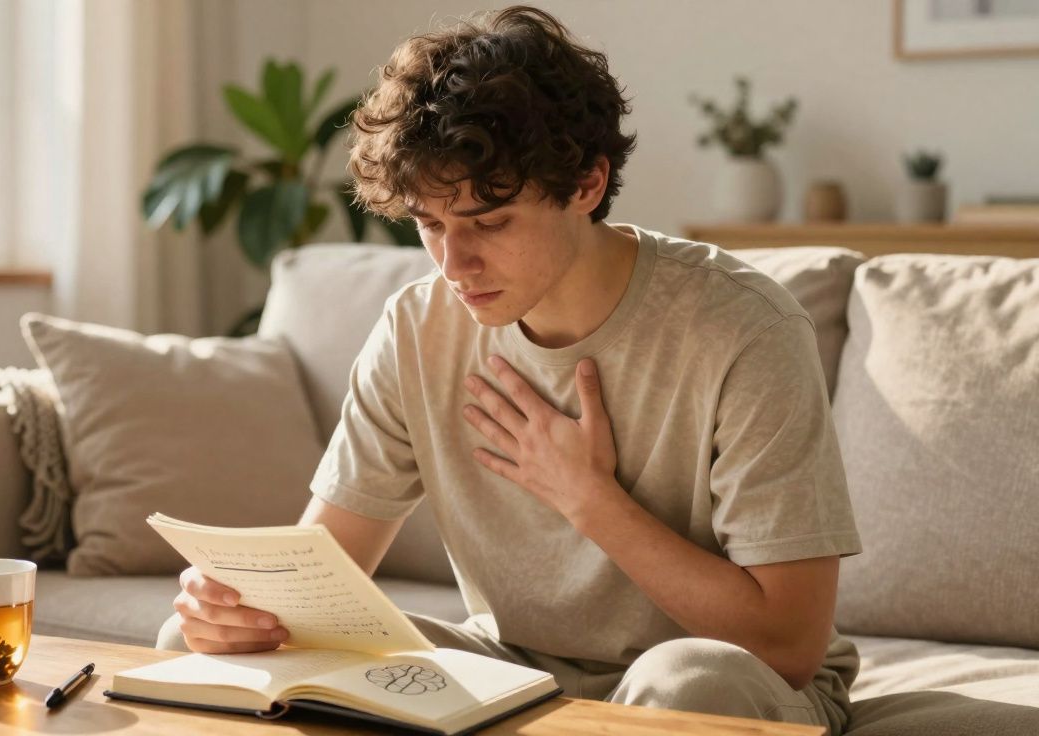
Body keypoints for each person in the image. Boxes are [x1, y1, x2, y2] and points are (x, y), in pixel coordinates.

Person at [157, 5, 862, 734]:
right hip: (510, 670)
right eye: (431, 224)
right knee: (196, 648)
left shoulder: (744, 327)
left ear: (588, 184)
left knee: (684, 680)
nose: (455, 266)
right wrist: (239, 611)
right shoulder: (417, 327)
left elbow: (788, 644)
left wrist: (588, 498)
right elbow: (323, 576)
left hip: (732, 681)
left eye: (490, 223)